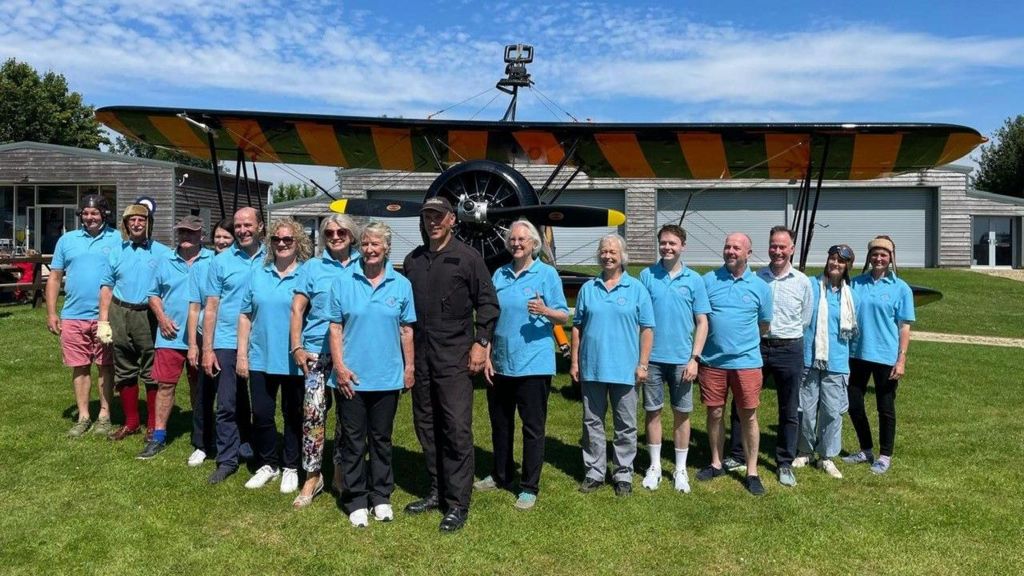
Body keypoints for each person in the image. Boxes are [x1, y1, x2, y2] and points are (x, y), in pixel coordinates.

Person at [402, 196, 499, 533]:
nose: (433, 222)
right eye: (428, 216)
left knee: (456, 429)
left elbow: (487, 304)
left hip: (455, 356)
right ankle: (437, 491)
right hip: (423, 357)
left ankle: (458, 503)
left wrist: (481, 342)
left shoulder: (468, 258)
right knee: (426, 425)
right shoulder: (413, 261)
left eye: (439, 216)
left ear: (452, 220)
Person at [478, 219, 569, 510]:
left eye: (522, 240)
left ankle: (529, 486)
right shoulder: (500, 274)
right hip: (502, 362)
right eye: (512, 240)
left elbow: (564, 316)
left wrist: (545, 310)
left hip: (534, 364)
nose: (516, 244)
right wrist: (487, 353)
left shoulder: (546, 274)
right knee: (500, 424)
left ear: (534, 244)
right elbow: (490, 316)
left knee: (532, 428)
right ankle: (501, 474)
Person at [329, 222, 415, 527]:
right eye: (365, 244)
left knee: (381, 439)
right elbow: (335, 327)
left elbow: (406, 329)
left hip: (387, 376)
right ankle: (355, 499)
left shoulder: (401, 284)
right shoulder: (343, 281)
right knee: (353, 441)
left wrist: (409, 367)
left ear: (387, 248)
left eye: (376, 244)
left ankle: (381, 496)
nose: (370, 249)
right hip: (352, 376)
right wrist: (339, 367)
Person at [723, 226, 813, 487]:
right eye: (774, 246)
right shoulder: (756, 278)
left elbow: (805, 319)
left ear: (792, 249)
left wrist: (788, 337)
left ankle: (784, 461)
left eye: (783, 247)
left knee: (789, 407)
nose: (777, 251)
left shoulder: (802, 281)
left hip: (789, 348)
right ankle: (738, 455)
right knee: (743, 402)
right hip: (756, 347)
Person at [571, 234, 654, 498]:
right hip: (592, 366)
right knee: (592, 422)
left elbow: (647, 329)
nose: (607, 256)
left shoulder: (636, 289)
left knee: (625, 425)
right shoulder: (588, 288)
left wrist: (643, 364)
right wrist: (574, 361)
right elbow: (577, 327)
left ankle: (623, 473)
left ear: (622, 257)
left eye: (613, 252)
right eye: (604, 251)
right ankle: (594, 471)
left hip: (625, 369)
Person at [289, 214, 360, 508]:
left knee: (349, 415)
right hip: (317, 351)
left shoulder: (363, 264)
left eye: (341, 231)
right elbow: (297, 309)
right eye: (329, 232)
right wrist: (296, 347)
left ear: (351, 234)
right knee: (314, 413)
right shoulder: (312, 267)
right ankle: (313, 475)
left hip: (351, 349)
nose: (335, 236)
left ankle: (342, 472)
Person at [237, 218, 311, 493]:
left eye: (287, 240)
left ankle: (291, 465)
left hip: (294, 360)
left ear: (298, 243)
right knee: (262, 413)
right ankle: (268, 463)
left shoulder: (306, 274)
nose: (281, 244)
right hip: (260, 357)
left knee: (293, 414)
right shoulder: (259, 272)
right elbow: (245, 315)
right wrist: (242, 355)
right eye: (276, 240)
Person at [695, 233, 772, 496]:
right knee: (714, 413)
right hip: (713, 362)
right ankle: (716, 462)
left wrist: (741, 345)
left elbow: (764, 325)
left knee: (748, 415)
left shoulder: (760, 287)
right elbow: (700, 319)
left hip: (747, 363)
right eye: (727, 247)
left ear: (748, 253)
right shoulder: (708, 281)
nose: (730, 251)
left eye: (736, 248)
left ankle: (752, 471)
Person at [638, 225, 709, 494]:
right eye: (663, 243)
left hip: (682, 360)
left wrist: (695, 359)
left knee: (682, 414)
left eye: (673, 244)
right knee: (652, 411)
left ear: (683, 246)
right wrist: (641, 360)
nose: (667, 248)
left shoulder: (694, 279)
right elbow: (639, 319)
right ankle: (655, 466)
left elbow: (702, 322)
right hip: (652, 359)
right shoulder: (646, 276)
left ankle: (680, 469)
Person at [46, 194, 122, 437]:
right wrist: (51, 312)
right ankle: (83, 416)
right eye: (86, 213)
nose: (89, 217)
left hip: (106, 316)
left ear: (104, 215)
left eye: (95, 213)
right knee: (79, 367)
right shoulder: (67, 240)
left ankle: (104, 414)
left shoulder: (118, 238)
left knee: (105, 366)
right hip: (73, 315)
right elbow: (55, 277)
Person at [138, 215, 213, 459]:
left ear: (201, 235)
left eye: (191, 233)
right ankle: (158, 435)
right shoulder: (165, 261)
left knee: (198, 386)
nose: (185, 237)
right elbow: (152, 294)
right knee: (165, 385)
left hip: (202, 336)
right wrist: (161, 317)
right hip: (170, 335)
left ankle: (201, 433)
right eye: (181, 232)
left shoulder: (213, 260)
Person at [97, 203, 173, 441]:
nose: (137, 224)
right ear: (126, 224)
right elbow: (106, 287)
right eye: (132, 220)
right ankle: (131, 422)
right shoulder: (116, 251)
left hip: (147, 314)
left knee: (152, 370)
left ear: (148, 223)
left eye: (141, 220)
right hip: (120, 311)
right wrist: (103, 321)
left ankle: (153, 423)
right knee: (124, 367)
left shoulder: (162, 253)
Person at [202, 207, 266, 484]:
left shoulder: (274, 258)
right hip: (226, 340)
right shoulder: (222, 261)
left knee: (263, 406)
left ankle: (266, 457)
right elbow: (211, 307)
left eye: (247, 224)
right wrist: (207, 349)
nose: (242, 230)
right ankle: (227, 459)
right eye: (238, 225)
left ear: (261, 227)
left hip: (263, 340)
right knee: (226, 403)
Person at [844, 235, 914, 475]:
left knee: (885, 408)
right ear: (869, 257)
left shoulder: (901, 288)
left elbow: (904, 326)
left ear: (891, 258)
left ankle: (885, 455)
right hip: (856, 353)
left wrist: (901, 358)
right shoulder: (855, 283)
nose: (879, 258)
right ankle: (866, 450)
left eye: (884, 254)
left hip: (885, 356)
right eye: (875, 254)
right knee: (853, 404)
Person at [796, 244, 858, 479]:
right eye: (832, 259)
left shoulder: (851, 295)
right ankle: (804, 451)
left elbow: (855, 330)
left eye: (841, 261)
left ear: (847, 266)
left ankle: (827, 456)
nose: (835, 264)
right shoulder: (811, 286)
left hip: (837, 362)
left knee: (833, 412)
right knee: (805, 409)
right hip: (809, 359)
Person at [184, 217, 236, 467]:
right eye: (218, 237)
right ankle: (201, 443)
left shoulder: (241, 264)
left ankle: (238, 442)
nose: (222, 241)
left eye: (227, 237)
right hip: (208, 336)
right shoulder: (201, 267)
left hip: (235, 337)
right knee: (205, 393)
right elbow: (194, 307)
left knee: (233, 397)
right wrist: (193, 344)